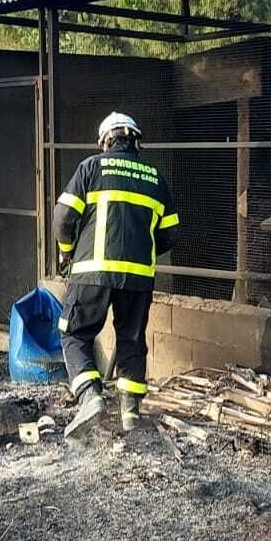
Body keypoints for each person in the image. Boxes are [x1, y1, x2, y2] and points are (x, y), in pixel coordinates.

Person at [53, 112, 180, 438]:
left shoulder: (91, 168)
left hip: (90, 274)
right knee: (131, 342)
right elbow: (170, 235)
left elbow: (63, 219)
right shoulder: (154, 178)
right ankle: (130, 417)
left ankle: (90, 396)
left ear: (106, 141)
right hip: (138, 279)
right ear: (135, 141)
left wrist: (67, 251)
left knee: (74, 333)